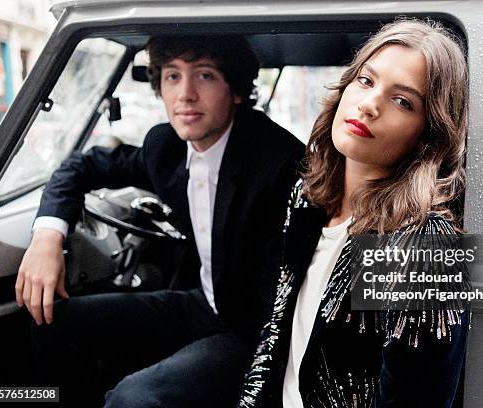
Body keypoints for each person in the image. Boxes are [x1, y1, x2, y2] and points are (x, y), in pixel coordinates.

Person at [15, 34, 304, 407]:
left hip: (254, 329)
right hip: (203, 304)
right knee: (52, 321)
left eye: (204, 76)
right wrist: (47, 239)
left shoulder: (278, 164)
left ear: (235, 90)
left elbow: (281, 297)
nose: (184, 94)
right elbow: (82, 166)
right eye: (172, 76)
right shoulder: (164, 147)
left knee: (134, 398)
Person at [238, 19, 470, 407]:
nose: (369, 105)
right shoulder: (308, 200)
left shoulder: (423, 245)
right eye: (365, 80)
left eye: (403, 101)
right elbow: (275, 333)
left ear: (428, 134)